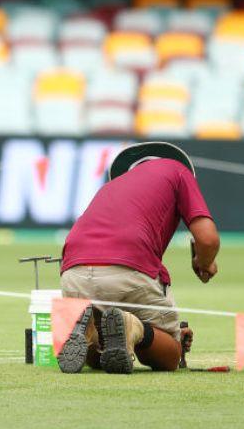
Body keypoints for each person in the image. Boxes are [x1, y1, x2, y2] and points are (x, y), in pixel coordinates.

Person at [57, 141, 220, 374]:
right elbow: (208, 240)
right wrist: (203, 263)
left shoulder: (110, 186)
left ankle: (91, 331)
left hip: (72, 270)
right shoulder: (178, 170)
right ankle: (134, 327)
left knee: (98, 359)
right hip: (128, 265)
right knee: (171, 356)